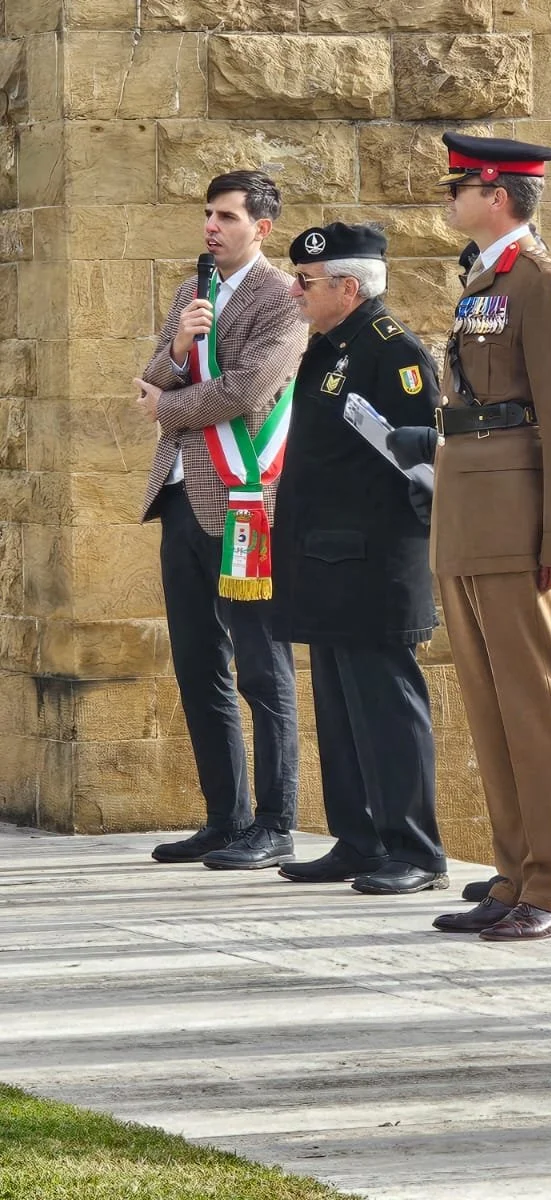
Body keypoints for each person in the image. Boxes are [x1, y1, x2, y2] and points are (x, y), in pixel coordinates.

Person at [393, 133, 551, 939]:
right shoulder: (486, 277)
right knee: (489, 704)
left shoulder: (540, 282)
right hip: (472, 511)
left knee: (537, 705)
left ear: (499, 194)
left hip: (516, 520)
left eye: (459, 186)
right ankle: (514, 872)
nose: (448, 198)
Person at [264, 223, 448, 893]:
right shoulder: (329, 347)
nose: (295, 290)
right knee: (341, 709)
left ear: (349, 286)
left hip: (374, 562)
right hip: (325, 561)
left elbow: (423, 455)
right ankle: (359, 837)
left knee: (387, 710)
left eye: (307, 282)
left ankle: (415, 850)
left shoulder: (389, 350)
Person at [135, 170, 301, 871]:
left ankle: (276, 821)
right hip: (179, 498)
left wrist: (166, 401)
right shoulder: (191, 290)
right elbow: (151, 372)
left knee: (262, 670)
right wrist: (178, 348)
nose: (212, 226)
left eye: (227, 216)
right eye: (208, 213)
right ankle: (224, 817)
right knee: (198, 661)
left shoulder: (282, 300)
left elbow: (246, 391)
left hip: (244, 504)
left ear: (261, 228)